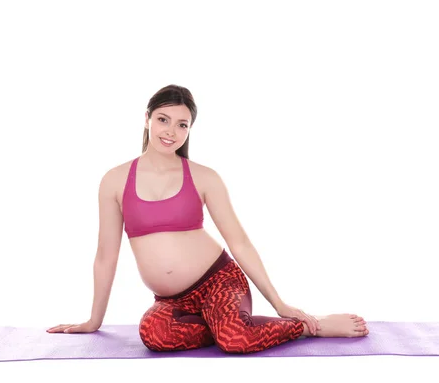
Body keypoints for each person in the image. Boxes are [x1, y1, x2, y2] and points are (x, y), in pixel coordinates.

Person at [47, 84, 369, 354]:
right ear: (146, 119)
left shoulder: (205, 177)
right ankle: (221, 323)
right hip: (173, 300)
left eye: (182, 125)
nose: (171, 132)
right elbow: (106, 256)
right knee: (153, 335)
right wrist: (93, 320)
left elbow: (239, 243)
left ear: (190, 130)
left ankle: (308, 327)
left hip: (220, 283)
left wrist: (281, 304)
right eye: (163, 119)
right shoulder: (114, 180)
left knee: (235, 340)